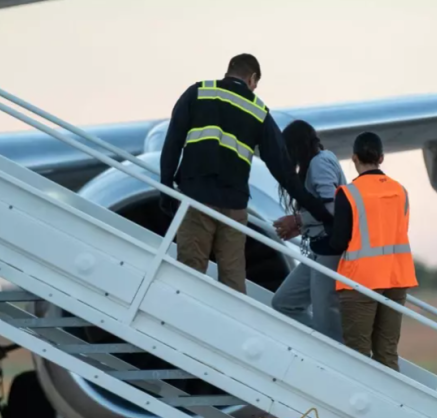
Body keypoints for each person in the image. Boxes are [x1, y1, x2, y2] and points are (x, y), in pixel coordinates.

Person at [159, 53, 333, 295]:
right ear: (252, 78)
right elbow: (283, 169)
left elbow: (172, 142)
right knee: (233, 281)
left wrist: (165, 187)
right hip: (234, 207)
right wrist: (320, 210)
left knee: (190, 274)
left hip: (197, 199)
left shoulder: (198, 92)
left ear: (228, 70)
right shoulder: (258, 110)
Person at [327, 131, 419, 372]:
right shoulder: (401, 191)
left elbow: (338, 243)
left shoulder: (349, 193)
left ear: (354, 158)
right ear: (382, 158)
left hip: (361, 281)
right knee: (387, 353)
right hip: (397, 278)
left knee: (357, 354)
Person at [270, 120, 346, 343]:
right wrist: (302, 225)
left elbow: (332, 208)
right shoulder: (321, 160)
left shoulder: (319, 164)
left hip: (328, 252)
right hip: (318, 250)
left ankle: (338, 353)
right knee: (284, 303)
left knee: (326, 324)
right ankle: (333, 347)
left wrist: (298, 219)